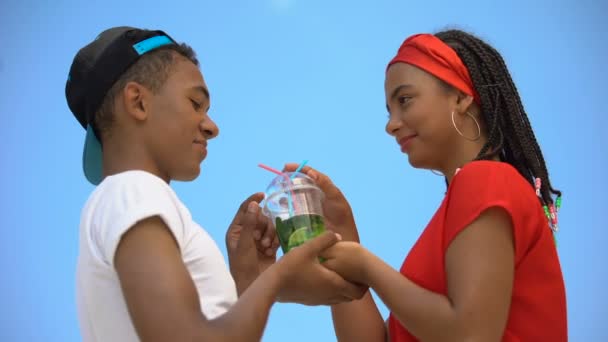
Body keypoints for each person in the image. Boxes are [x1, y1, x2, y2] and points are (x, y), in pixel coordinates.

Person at [65, 26, 366, 342]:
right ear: (138, 102)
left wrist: (247, 280)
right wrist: (280, 279)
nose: (212, 127)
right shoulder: (133, 190)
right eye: (196, 103)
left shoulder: (125, 201)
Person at [284, 29, 567, 341]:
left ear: (461, 97)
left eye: (405, 100)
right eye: (390, 111)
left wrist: (367, 267)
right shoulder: (467, 198)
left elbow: (470, 335)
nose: (391, 124)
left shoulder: (486, 179)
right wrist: (343, 235)